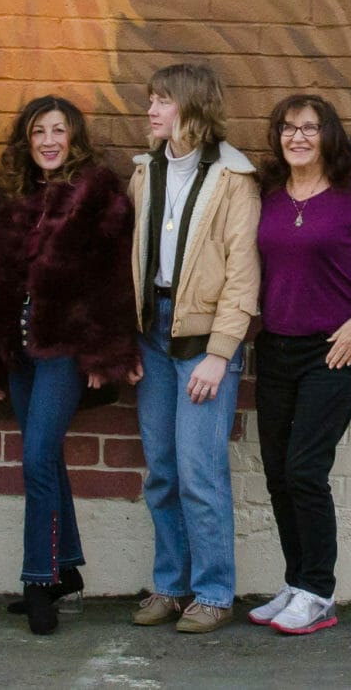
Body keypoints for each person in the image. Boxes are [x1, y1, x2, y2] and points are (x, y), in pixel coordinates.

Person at [0, 96, 139, 635]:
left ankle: (37, 582)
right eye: (38, 131)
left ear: (74, 138)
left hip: (64, 351)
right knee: (45, 457)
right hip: (19, 351)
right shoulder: (18, 198)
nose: (47, 140)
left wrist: (104, 350)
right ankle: (64, 571)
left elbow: (113, 277)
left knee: (39, 457)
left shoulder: (97, 194)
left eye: (58, 130)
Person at [250, 94, 351, 634]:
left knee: (304, 469)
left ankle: (319, 592)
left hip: (335, 350)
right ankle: (297, 582)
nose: (297, 137)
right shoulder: (269, 195)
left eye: (309, 128)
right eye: (287, 128)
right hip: (274, 349)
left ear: (328, 136)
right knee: (277, 474)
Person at [128, 63, 260, 634]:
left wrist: (220, 351)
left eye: (162, 101)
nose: (152, 111)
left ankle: (213, 592)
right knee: (161, 470)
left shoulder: (234, 179)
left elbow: (242, 276)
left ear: (192, 107)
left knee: (199, 471)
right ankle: (171, 586)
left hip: (204, 340)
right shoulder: (144, 172)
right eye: (151, 100)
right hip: (151, 334)